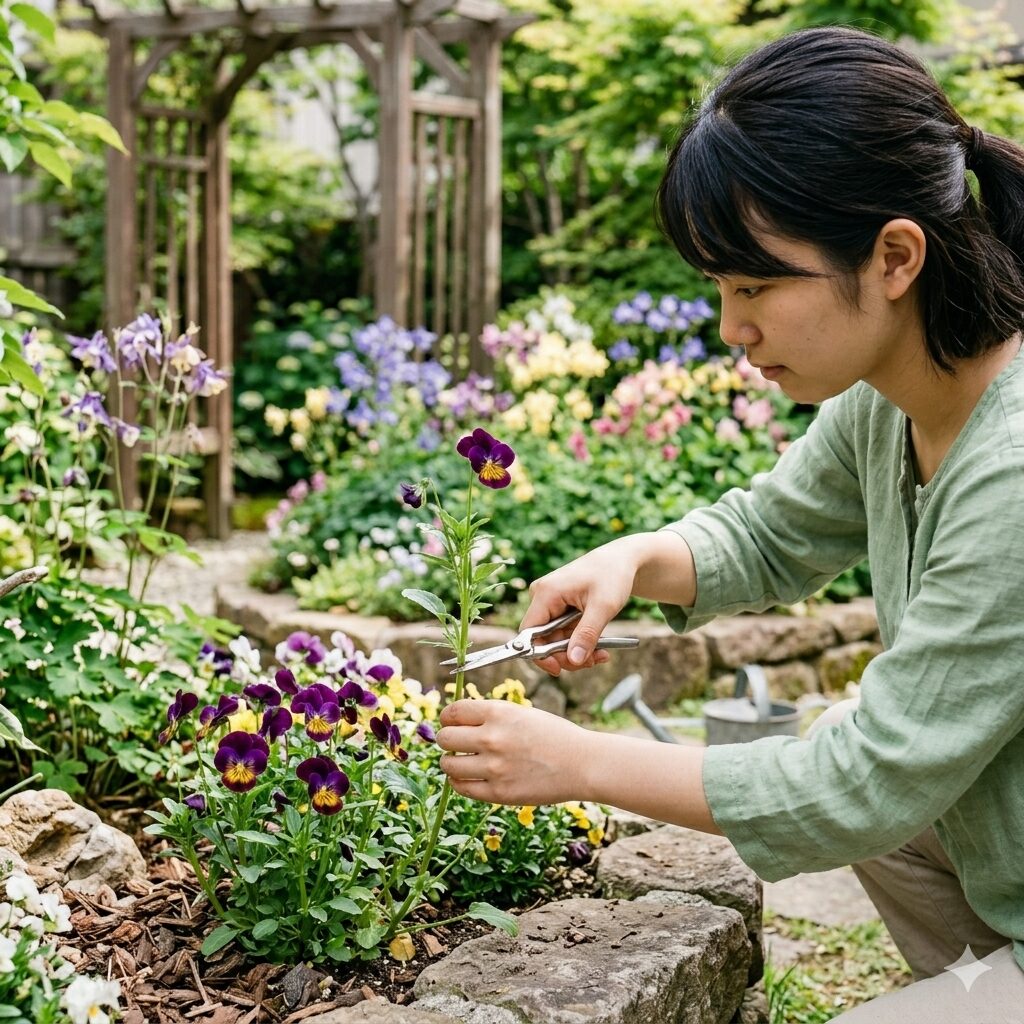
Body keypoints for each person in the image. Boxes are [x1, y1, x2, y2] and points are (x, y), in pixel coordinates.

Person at [434, 25, 1024, 1022]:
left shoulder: (1011, 467)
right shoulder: (892, 401)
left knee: (859, 773)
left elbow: (859, 787)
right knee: (864, 762)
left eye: (754, 285)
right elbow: (768, 534)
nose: (731, 328)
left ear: (893, 256)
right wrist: (635, 559)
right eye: (718, 287)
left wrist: (576, 763)